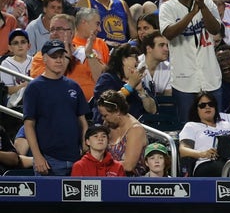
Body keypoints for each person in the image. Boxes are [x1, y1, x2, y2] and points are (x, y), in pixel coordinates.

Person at [23, 39, 89, 176]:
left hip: (75, 158)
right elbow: (29, 125)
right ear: (45, 59)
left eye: (61, 56)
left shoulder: (73, 86)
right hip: (48, 159)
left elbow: (82, 119)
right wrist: (37, 157)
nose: (59, 60)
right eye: (54, 57)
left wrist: (84, 144)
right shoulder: (34, 88)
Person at [159, 0, 223, 123]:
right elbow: (169, 33)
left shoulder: (208, 3)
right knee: (188, 126)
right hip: (184, 81)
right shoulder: (167, 7)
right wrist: (192, 14)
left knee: (215, 125)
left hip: (210, 77)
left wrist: (202, 7)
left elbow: (215, 29)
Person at [93, 43, 156, 124]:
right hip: (111, 129)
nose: (138, 61)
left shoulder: (137, 81)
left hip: (139, 128)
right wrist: (130, 86)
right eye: (135, 57)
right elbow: (107, 104)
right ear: (124, 60)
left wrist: (141, 91)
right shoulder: (107, 79)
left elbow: (153, 110)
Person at [178, 93, 230, 177]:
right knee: (224, 167)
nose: (207, 107)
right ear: (196, 109)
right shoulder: (191, 126)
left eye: (211, 104)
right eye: (202, 105)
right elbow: (183, 150)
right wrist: (203, 153)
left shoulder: (226, 125)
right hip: (205, 163)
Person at [95, 89, 148, 176]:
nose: (103, 119)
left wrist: (100, 164)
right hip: (107, 175)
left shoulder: (135, 130)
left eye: (105, 115)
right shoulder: (108, 124)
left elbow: (128, 166)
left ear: (117, 111)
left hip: (130, 181)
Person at [1, 29, 32, 110]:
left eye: (23, 42)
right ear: (10, 48)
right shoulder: (5, 64)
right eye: (15, 43)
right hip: (14, 102)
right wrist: (25, 85)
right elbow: (9, 90)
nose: (20, 45)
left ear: (29, 46)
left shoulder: (34, 61)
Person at [138, 30, 172, 99]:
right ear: (149, 49)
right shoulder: (136, 65)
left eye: (167, 45)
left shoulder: (169, 68)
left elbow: (167, 100)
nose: (166, 49)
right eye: (161, 45)